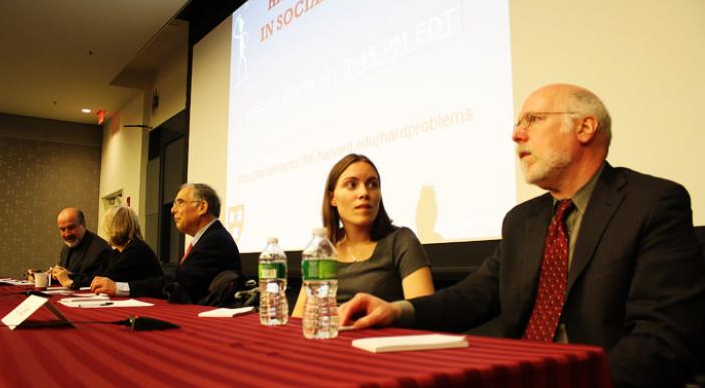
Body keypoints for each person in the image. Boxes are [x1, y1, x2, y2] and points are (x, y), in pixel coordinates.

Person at [338, 84, 705, 388]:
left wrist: (572, 381)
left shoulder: (652, 203)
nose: (516, 134)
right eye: (518, 123)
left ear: (585, 128)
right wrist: (397, 309)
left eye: (533, 119)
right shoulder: (522, 220)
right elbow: (473, 296)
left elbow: (661, 340)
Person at [292, 154, 434, 317]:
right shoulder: (323, 249)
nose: (364, 193)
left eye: (372, 184)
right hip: (328, 337)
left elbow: (426, 315)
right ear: (332, 198)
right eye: (352, 185)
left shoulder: (401, 240)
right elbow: (298, 317)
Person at [91, 183, 241, 302]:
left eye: (179, 203)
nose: (172, 210)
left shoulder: (214, 240)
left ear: (202, 207)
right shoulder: (209, 237)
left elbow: (179, 283)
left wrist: (119, 288)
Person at [50, 207, 111, 289]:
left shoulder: (101, 249)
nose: (67, 234)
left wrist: (68, 279)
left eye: (71, 228)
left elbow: (99, 281)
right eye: (62, 229)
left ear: (83, 224)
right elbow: (63, 276)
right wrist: (49, 276)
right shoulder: (67, 247)